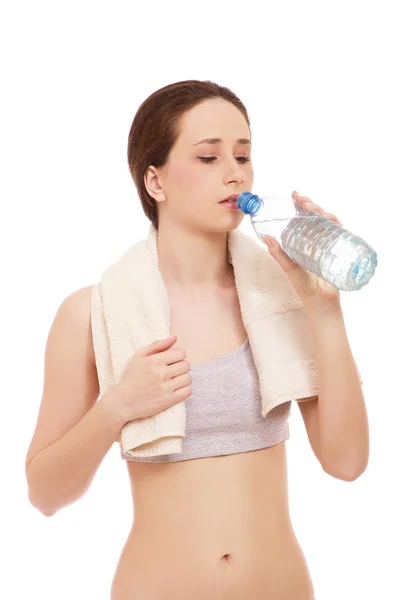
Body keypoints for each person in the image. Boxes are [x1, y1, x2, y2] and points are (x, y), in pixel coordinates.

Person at [25, 80, 369, 600]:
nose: (235, 172)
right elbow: (45, 494)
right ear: (155, 181)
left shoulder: (281, 297)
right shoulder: (90, 315)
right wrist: (117, 406)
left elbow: (347, 464)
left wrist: (325, 310)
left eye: (244, 155)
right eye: (208, 157)